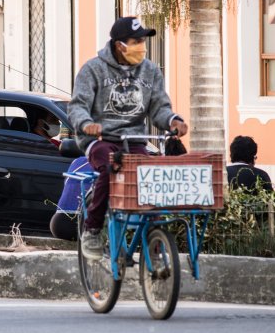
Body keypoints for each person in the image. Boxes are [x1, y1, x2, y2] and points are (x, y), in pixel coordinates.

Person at [68, 17, 188, 260]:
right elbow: (77, 106)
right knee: (112, 165)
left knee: (150, 177)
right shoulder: (93, 69)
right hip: (102, 138)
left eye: (143, 41)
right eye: (136, 41)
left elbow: (159, 108)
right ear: (119, 45)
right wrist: (86, 124)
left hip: (134, 140)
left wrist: (173, 120)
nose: (141, 46)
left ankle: (154, 239)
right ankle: (92, 229)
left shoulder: (151, 71)